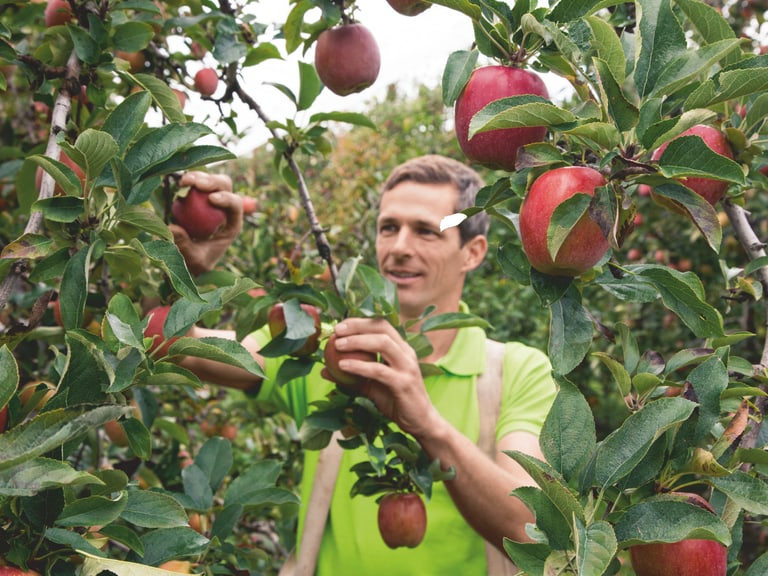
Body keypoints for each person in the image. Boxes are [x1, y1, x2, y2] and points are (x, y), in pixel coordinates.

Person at [171, 155, 558, 575]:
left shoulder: (515, 372)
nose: (399, 247)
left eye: (426, 230)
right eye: (388, 227)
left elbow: (530, 529)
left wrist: (428, 425)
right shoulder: (324, 348)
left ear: (472, 252)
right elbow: (172, 349)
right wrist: (186, 268)